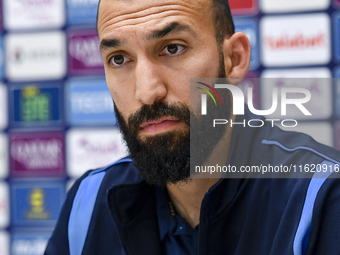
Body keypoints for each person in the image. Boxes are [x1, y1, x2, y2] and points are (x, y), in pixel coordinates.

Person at [45, 0, 340, 254]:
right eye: (119, 59)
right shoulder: (88, 203)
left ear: (234, 59)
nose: (147, 92)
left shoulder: (322, 199)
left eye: (172, 48)